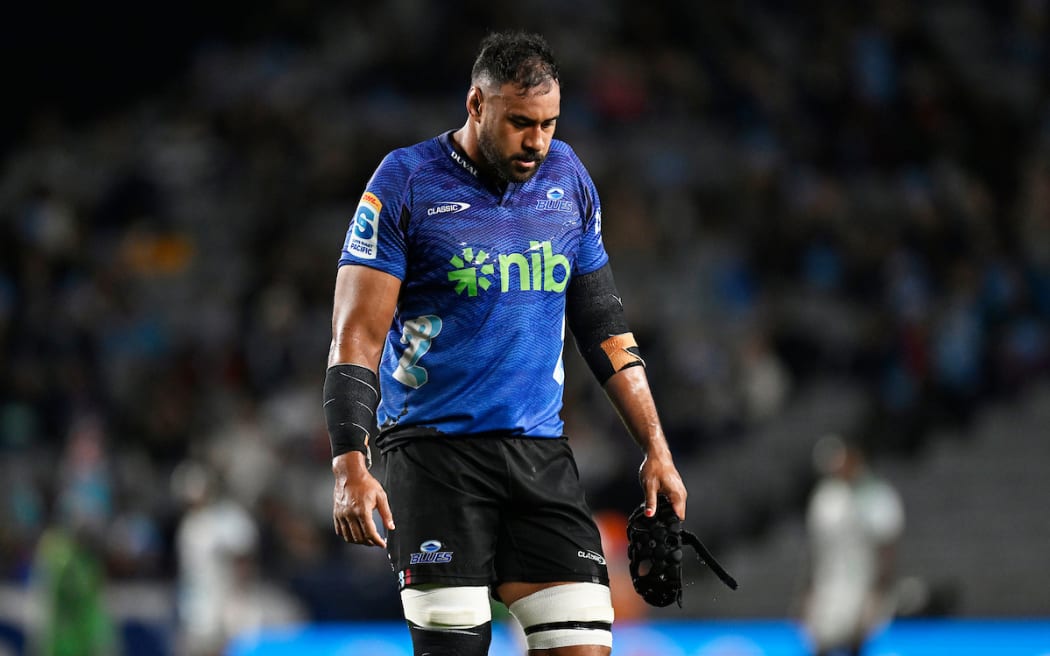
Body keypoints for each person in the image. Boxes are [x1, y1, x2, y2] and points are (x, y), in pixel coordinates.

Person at [323, 30, 688, 656]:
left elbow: (602, 322)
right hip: (435, 457)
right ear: (476, 105)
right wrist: (349, 464)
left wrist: (657, 448)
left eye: (548, 124)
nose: (537, 142)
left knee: (584, 647)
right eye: (521, 123)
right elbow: (355, 335)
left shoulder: (568, 179)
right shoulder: (406, 181)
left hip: (538, 456)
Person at [801, 435, 904, 656]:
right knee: (820, 643)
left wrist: (877, 594)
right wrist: (808, 592)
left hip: (862, 585)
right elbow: (815, 551)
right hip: (828, 585)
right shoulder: (825, 498)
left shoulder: (876, 495)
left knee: (857, 643)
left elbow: (887, 549)